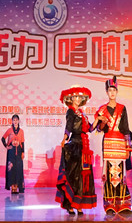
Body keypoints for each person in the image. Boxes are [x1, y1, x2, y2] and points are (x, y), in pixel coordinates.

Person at [55, 85, 97, 215]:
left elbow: (90, 129)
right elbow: (68, 126)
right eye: (76, 97)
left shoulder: (82, 114)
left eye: (79, 97)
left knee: (83, 177)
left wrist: (98, 120)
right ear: (71, 99)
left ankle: (79, 204)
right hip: (75, 146)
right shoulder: (71, 111)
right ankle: (70, 204)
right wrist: (64, 138)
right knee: (74, 175)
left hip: (84, 146)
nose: (78, 99)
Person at [93, 76, 132, 214]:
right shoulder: (102, 109)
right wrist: (102, 122)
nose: (112, 93)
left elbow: (126, 128)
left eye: (114, 90)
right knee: (109, 175)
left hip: (120, 143)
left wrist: (128, 146)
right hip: (109, 143)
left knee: (120, 174)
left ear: (117, 91)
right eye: (110, 90)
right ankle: (109, 205)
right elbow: (99, 129)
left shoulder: (122, 108)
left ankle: (122, 204)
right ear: (107, 92)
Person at [1, 114, 25, 194]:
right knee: (11, 169)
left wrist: (23, 152)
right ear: (12, 121)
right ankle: (13, 188)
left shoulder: (21, 131)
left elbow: (22, 142)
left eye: (16, 120)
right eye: (14, 120)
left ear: (18, 121)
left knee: (18, 169)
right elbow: (3, 138)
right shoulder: (9, 130)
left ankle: (18, 187)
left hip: (18, 152)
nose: (15, 121)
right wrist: (6, 146)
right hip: (11, 153)